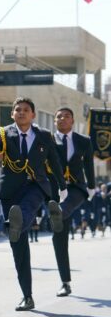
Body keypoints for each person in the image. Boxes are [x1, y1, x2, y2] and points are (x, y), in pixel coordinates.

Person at [0, 97, 66, 311]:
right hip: (10, 191)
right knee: (18, 245)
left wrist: (62, 187)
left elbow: (54, 161)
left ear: (33, 114)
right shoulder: (6, 133)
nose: (21, 112)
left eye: (26, 110)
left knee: (25, 210)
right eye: (18, 110)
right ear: (12, 114)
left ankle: (20, 220)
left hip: (35, 185)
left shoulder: (44, 135)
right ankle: (27, 296)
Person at [50, 107, 95, 297]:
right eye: (59, 116)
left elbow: (89, 165)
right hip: (55, 190)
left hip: (76, 189)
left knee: (64, 208)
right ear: (54, 121)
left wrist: (92, 187)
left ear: (73, 120)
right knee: (59, 238)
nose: (62, 119)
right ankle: (65, 282)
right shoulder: (48, 140)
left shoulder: (84, 141)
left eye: (66, 116)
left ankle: (58, 212)